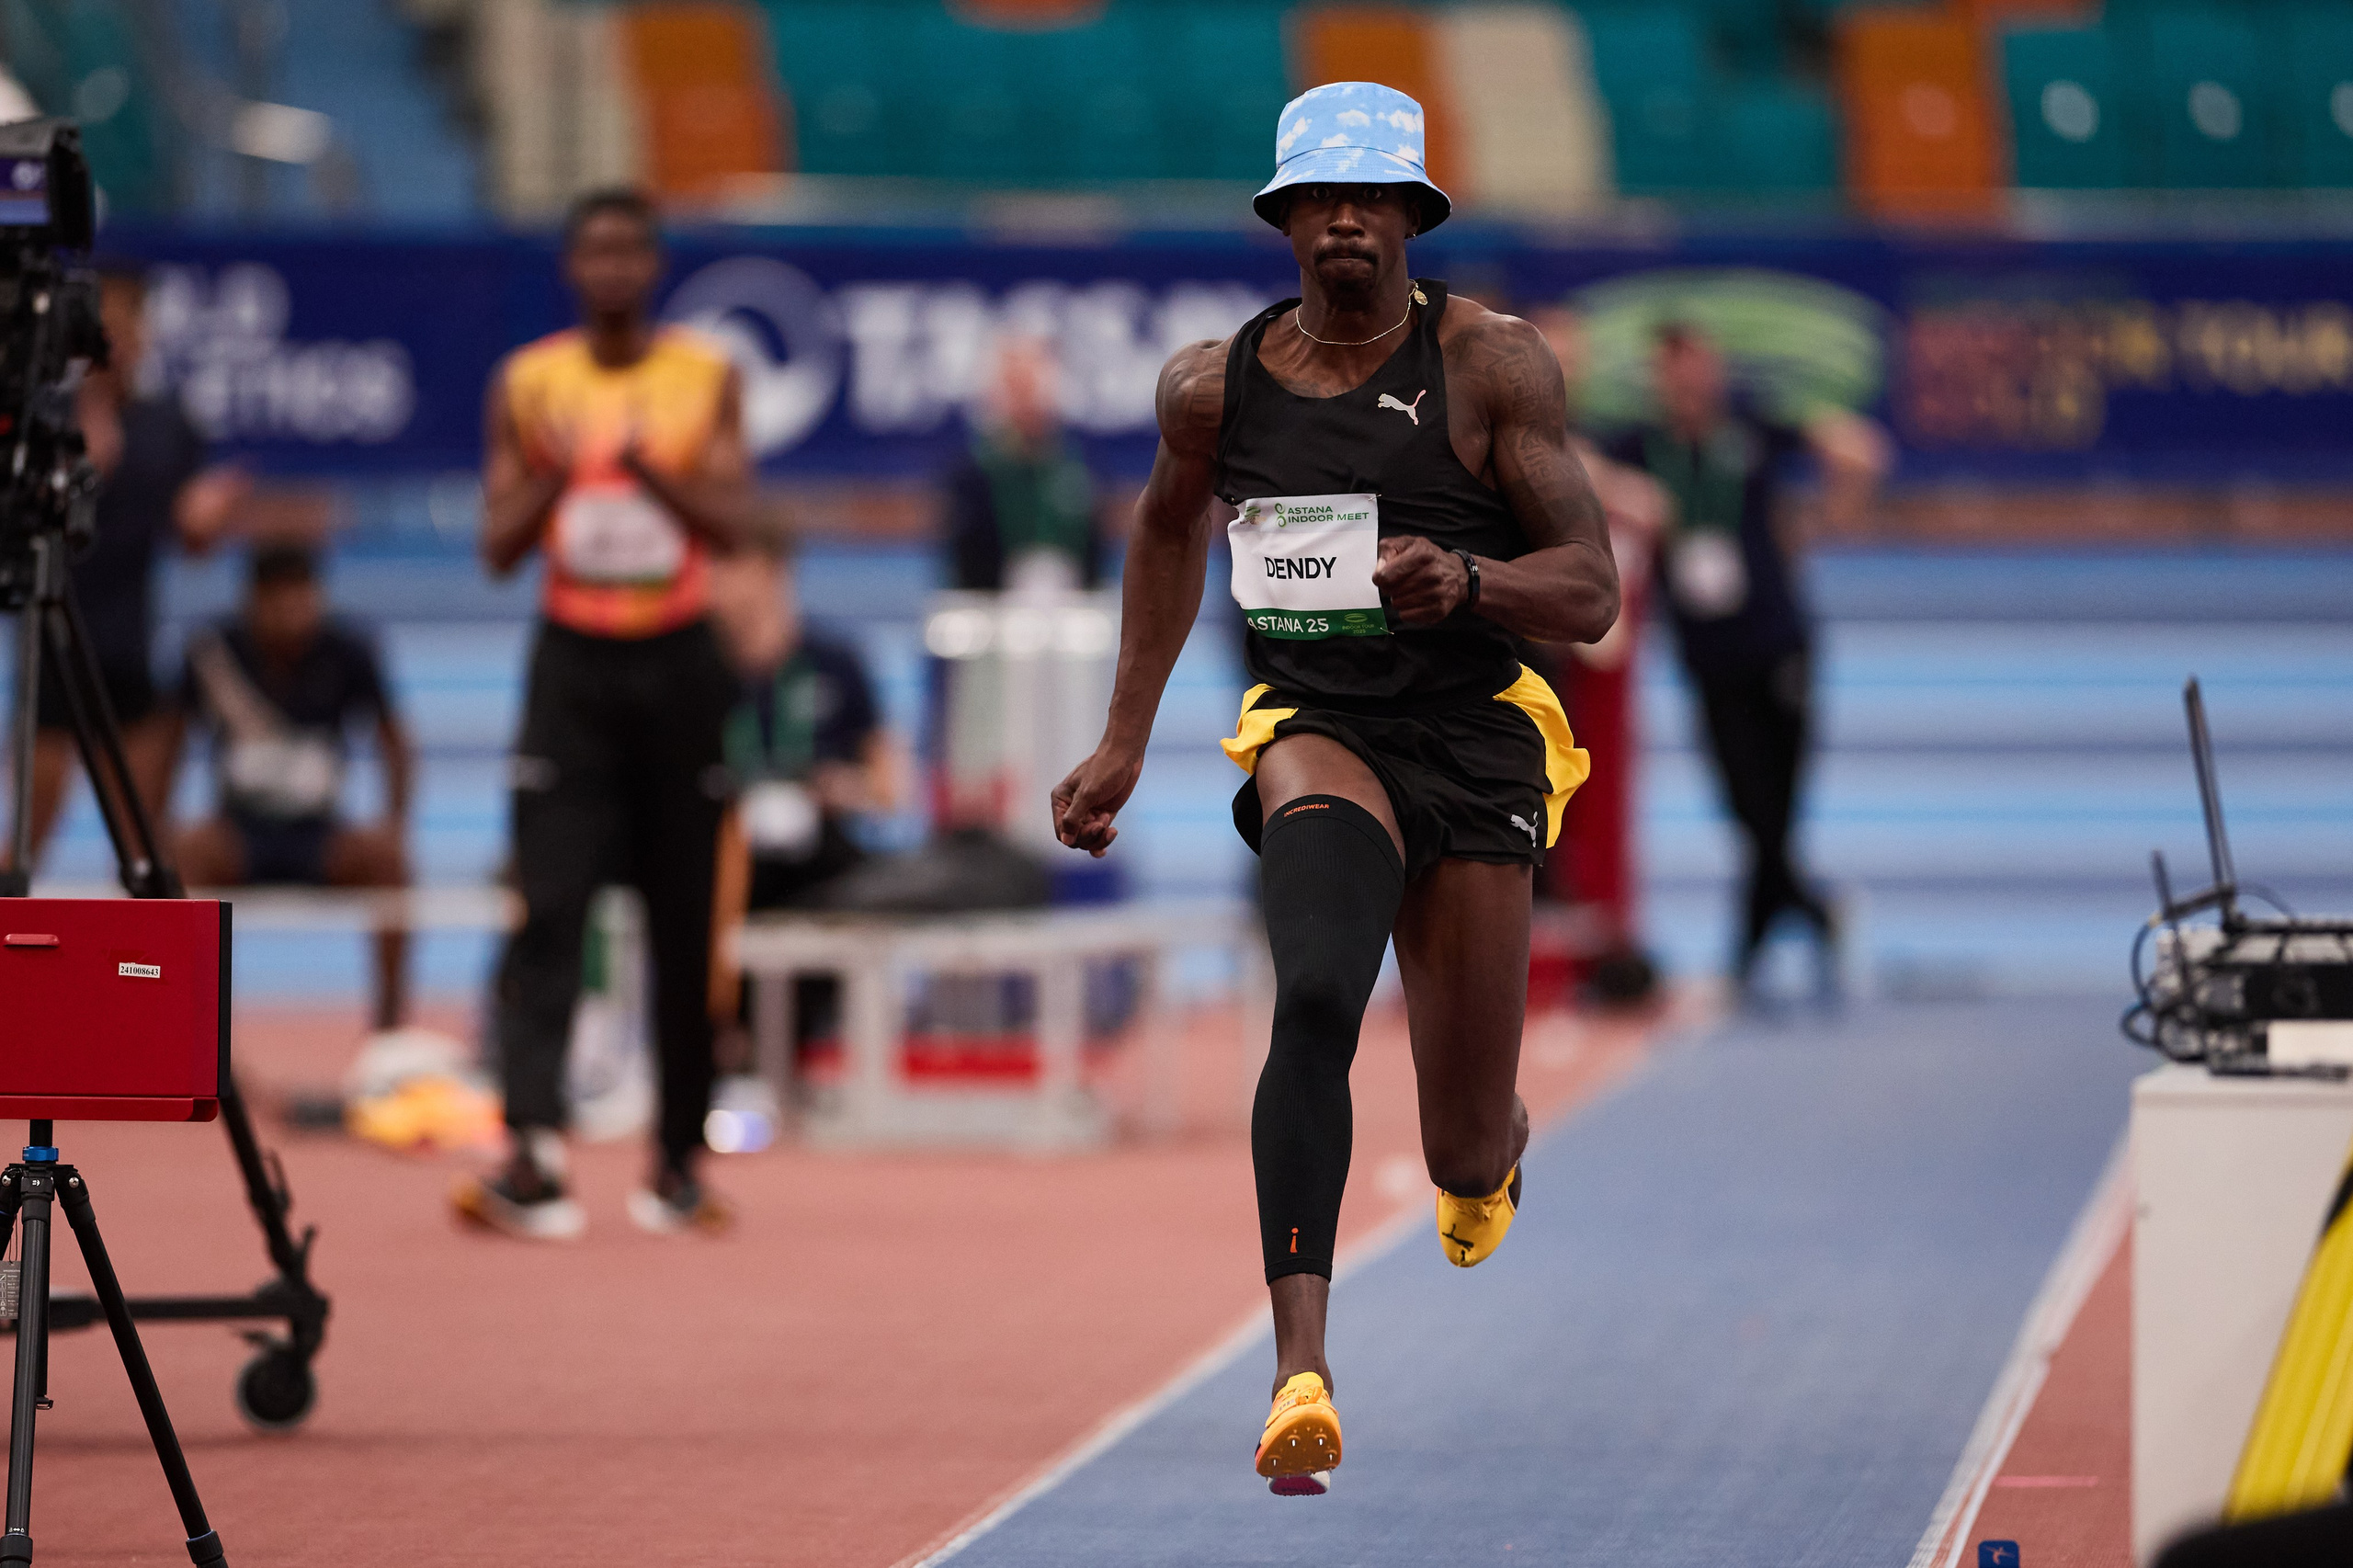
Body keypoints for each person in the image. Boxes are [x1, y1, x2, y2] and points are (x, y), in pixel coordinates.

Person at [1051, 82, 1619, 1495]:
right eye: (1321, 199)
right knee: (1313, 990)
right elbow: (1166, 534)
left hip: (1478, 735)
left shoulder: (1494, 366)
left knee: (1463, 1147)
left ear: (1416, 217)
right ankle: (1300, 1367)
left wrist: (1470, 578)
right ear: (1285, 218)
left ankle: (1490, 1153)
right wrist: (1123, 738)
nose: (1347, 220)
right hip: (1320, 727)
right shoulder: (1213, 386)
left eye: (1373, 198)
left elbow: (1593, 590)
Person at [455, 187, 753, 1241]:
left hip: (678, 664)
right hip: (571, 667)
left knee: (683, 920)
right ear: (573, 269)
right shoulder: (530, 382)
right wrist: (554, 474)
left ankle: (676, 1158)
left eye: (632, 248)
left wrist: (643, 473)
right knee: (550, 909)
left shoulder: (704, 378)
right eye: (596, 251)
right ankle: (530, 1151)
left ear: (654, 264)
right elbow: (495, 546)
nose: (614, 267)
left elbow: (735, 521)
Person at [1598, 321, 1890, 994]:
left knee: (1775, 810)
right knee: (1744, 808)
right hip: (1707, 658)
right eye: (1672, 372)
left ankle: (1754, 945)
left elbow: (1862, 453)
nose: (1687, 384)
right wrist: (1624, 492)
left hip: (1777, 645)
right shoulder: (1645, 448)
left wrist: (1825, 519)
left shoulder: (1754, 429)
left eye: (1697, 368)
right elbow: (1566, 456)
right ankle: (1814, 912)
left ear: (1717, 371)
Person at [17, 262, 245, 870]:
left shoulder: (169, 425)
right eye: (104, 325)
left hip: (130, 649)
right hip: (52, 645)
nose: (117, 339)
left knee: (144, 847)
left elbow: (193, 541)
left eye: (128, 324)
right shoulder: (42, 419)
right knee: (25, 839)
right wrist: (90, 418)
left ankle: (146, 968)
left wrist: (205, 519)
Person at [170, 543, 414, 1030]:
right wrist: (154, 824)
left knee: (390, 866)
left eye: (302, 600)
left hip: (319, 835)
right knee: (174, 865)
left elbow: (395, 742)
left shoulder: (349, 652)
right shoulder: (214, 651)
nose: (291, 615)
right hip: (238, 836)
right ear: (253, 602)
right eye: (278, 603)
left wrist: (394, 822)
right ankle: (177, 1021)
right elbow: (165, 741)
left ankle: (389, 1030)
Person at [705, 534, 900, 1061]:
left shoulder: (835, 661)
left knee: (858, 889)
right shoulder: (700, 671)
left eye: (728, 568)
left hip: (821, 859)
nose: (713, 585)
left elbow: (891, 789)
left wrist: (841, 788)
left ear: (773, 573)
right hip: (732, 857)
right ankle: (727, 1043)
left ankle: (818, 1043)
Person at [940, 336, 1101, 596]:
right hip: (993, 608)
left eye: (1032, 387)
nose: (1025, 403)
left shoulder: (1079, 468)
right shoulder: (973, 477)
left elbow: (1095, 557)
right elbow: (963, 566)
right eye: (1014, 389)